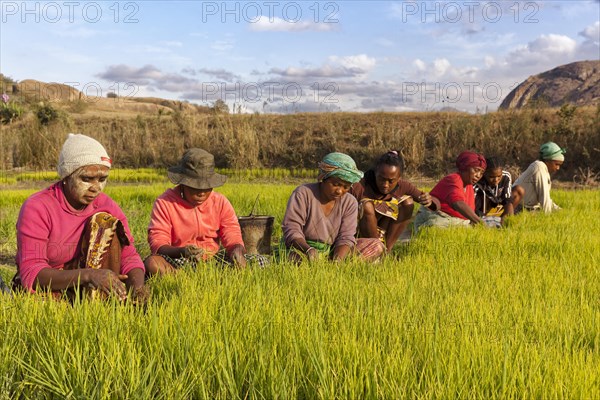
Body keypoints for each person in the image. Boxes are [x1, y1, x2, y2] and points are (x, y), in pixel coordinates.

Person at [14, 133, 147, 302]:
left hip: (90, 285)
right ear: (67, 176)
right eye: (87, 179)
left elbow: (129, 256)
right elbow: (32, 271)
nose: (96, 188)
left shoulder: (107, 206)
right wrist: (89, 275)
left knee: (108, 223)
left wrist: (137, 290)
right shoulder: (38, 207)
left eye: (102, 179)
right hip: (49, 288)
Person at [144, 148, 247, 276]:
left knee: (259, 262)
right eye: (195, 187)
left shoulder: (220, 202)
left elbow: (231, 232)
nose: (202, 193)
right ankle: (182, 279)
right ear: (183, 183)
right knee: (152, 263)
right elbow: (158, 243)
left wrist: (236, 249)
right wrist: (183, 251)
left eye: (206, 187)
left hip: (213, 260)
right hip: (179, 259)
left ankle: (209, 277)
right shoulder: (165, 203)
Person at [281, 152, 385, 262]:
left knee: (376, 246)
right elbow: (292, 228)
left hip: (332, 249)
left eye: (346, 187)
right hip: (302, 248)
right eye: (335, 184)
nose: (340, 191)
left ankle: (332, 263)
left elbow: (346, 237)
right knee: (295, 260)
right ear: (323, 178)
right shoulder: (303, 193)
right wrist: (308, 250)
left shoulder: (349, 202)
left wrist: (337, 261)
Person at [350, 150, 440, 251]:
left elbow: (436, 205)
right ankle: (374, 250)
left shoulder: (403, 186)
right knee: (367, 206)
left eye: (391, 181)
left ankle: (386, 250)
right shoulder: (359, 186)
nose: (385, 185)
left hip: (383, 229)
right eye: (381, 179)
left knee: (408, 203)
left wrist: (429, 200)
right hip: (360, 232)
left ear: (398, 178)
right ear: (375, 173)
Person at [413, 151, 486, 232]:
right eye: (476, 170)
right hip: (433, 216)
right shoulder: (454, 179)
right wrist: (480, 223)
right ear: (464, 167)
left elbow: (469, 213)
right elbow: (458, 203)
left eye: (481, 173)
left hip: (450, 220)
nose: (478, 175)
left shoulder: (469, 187)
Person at [513, 142, 565, 213]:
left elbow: (547, 200)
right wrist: (549, 217)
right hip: (518, 208)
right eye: (556, 164)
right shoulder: (539, 167)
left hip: (527, 207)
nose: (558, 168)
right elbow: (544, 198)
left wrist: (561, 211)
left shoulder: (543, 169)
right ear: (547, 161)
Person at [474, 157, 525, 226]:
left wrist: (508, 218)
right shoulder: (478, 180)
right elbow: (474, 207)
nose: (496, 180)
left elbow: (507, 201)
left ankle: (502, 219)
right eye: (491, 177)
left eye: (499, 176)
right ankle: (489, 221)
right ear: (484, 173)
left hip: (498, 206)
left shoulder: (506, 176)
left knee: (519, 190)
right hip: (482, 210)